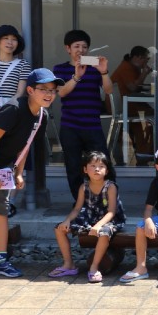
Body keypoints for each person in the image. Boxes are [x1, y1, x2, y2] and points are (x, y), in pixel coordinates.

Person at [0, 68, 60, 278]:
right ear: (29, 90)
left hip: (3, 166)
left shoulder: (42, 116)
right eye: (43, 89)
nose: (49, 94)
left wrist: (19, 172)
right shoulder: (13, 109)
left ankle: (0, 260)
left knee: (0, 211)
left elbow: (26, 144)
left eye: (53, 90)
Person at [50, 150, 127, 283]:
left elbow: (111, 212)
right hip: (89, 217)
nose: (97, 169)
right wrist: (67, 221)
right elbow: (77, 208)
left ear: (107, 171)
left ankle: (94, 267)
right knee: (59, 229)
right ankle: (69, 264)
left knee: (103, 233)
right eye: (93, 166)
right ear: (85, 169)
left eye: (101, 166)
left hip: (109, 219)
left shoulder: (110, 187)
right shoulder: (83, 187)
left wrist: (98, 226)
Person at [54, 30, 113, 196]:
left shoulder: (95, 69)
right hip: (70, 125)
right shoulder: (60, 69)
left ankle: (107, 200)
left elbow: (109, 90)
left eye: (84, 47)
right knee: (73, 167)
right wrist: (77, 76)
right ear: (68, 48)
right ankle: (80, 203)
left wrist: (103, 72)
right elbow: (62, 92)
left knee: (103, 163)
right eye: (76, 46)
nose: (81, 50)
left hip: (92, 125)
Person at [118, 143, 158, 284]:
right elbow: (148, 208)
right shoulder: (157, 183)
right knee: (141, 227)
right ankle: (141, 267)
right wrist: (148, 221)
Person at [110, 45, 155, 158]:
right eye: (146, 59)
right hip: (123, 104)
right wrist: (144, 73)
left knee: (151, 112)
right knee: (151, 114)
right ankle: (144, 150)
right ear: (137, 58)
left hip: (129, 102)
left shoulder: (132, 67)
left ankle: (146, 148)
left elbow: (136, 84)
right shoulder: (126, 67)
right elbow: (133, 88)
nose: (146, 62)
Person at [0, 24, 30, 119]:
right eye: (6, 38)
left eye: (14, 39)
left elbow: (19, 93)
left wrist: (1, 111)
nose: (10, 42)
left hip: (10, 113)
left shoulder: (23, 64)